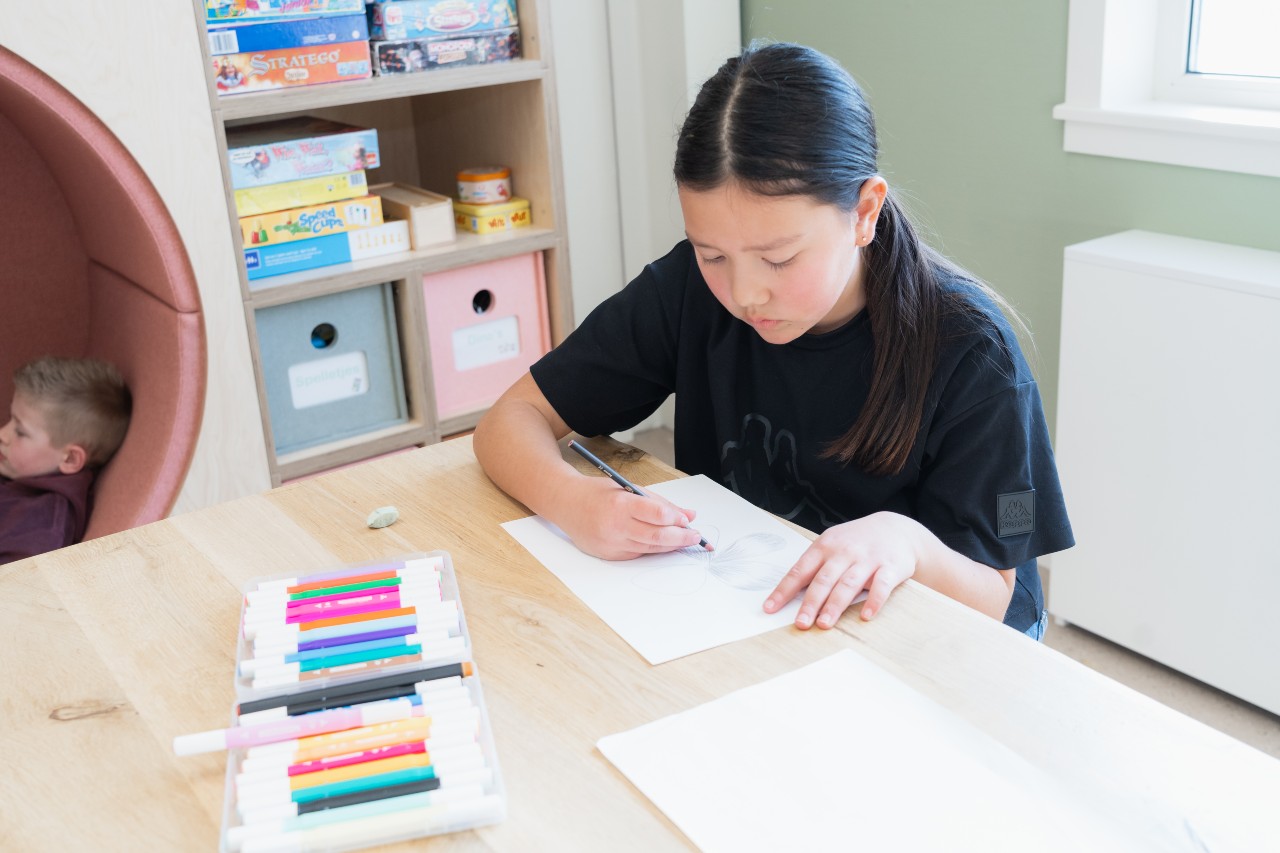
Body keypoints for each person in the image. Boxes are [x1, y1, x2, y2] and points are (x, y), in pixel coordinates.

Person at [473, 42, 1073, 640]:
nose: (744, 294)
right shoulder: (690, 289)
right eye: (713, 254)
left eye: (779, 259)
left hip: (936, 636)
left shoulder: (974, 351)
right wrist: (572, 501)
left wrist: (906, 541)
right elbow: (511, 418)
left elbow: (997, 593)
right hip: (766, 622)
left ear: (864, 211)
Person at [0, 356, 132, 565]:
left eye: (20, 431)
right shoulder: (23, 468)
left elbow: (15, 589)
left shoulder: (43, 527)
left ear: (70, 459)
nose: (3, 434)